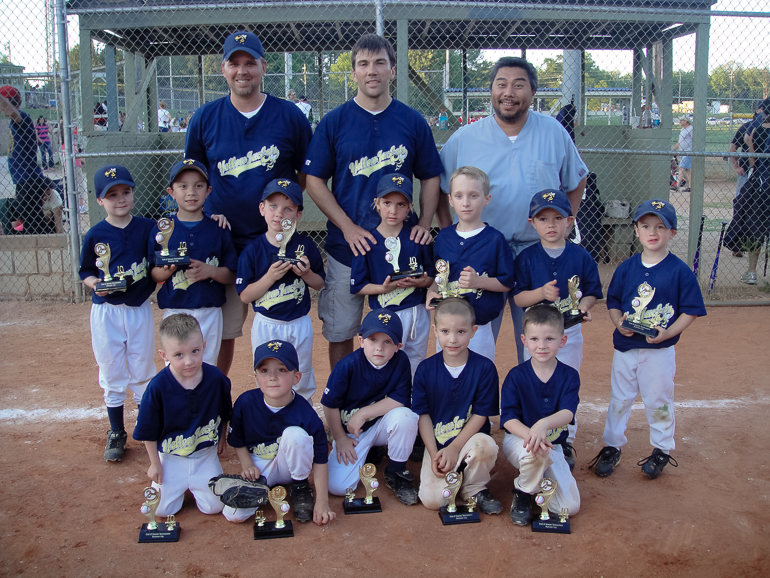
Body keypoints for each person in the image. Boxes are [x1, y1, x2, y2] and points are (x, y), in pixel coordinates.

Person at [304, 33, 444, 372]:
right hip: (346, 247)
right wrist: (348, 227)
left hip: (401, 250)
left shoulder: (411, 121)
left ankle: (401, 402)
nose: (372, 71)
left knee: (404, 332)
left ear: (392, 70)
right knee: (341, 331)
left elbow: (430, 176)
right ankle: (344, 399)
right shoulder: (335, 121)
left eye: (380, 63)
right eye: (363, 64)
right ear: (353, 72)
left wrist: (425, 224)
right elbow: (313, 181)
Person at [438, 57, 588, 364]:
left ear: (532, 93)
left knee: (540, 342)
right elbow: (439, 187)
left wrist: (566, 223)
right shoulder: (465, 137)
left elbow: (577, 178)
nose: (509, 92)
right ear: (491, 91)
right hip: (479, 251)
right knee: (469, 336)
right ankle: (470, 407)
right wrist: (447, 231)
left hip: (535, 251)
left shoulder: (553, 132)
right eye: (501, 84)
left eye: (519, 85)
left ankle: (536, 407)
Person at [185, 30, 312, 377]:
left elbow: (306, 174)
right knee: (221, 332)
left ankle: (283, 400)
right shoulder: (205, 118)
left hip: (274, 243)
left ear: (263, 67)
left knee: (282, 323)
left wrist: (283, 212)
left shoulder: (289, 116)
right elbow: (194, 177)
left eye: (249, 63)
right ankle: (213, 397)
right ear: (223, 69)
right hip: (224, 241)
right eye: (234, 63)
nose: (242, 71)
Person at [589, 199, 706, 480]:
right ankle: (612, 446)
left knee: (659, 399)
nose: (652, 232)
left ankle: (662, 450)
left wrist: (671, 332)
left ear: (672, 232)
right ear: (636, 230)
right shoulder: (627, 268)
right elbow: (614, 301)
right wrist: (618, 322)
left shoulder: (679, 271)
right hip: (626, 348)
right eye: (645, 226)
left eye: (660, 226)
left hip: (659, 350)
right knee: (620, 398)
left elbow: (691, 310)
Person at [512, 189, 602, 469]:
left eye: (557, 218)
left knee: (567, 381)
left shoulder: (581, 256)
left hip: (569, 332)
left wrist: (584, 307)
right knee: (537, 381)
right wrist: (540, 292)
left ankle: (566, 439)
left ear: (570, 221)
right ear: (532, 223)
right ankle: (534, 431)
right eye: (543, 219)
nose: (550, 225)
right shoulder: (526, 258)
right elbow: (518, 298)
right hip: (538, 337)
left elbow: (591, 292)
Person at [78, 165, 157, 462]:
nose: (121, 199)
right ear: (100, 201)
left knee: (142, 368)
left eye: (126, 192)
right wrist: (95, 283)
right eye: (112, 195)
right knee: (111, 369)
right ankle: (116, 431)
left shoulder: (148, 228)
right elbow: (85, 269)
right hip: (106, 313)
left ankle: (146, 426)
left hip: (138, 309)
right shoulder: (96, 233)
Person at [219, 340, 335, 525]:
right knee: (233, 515)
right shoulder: (245, 403)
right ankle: (263, 489)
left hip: (290, 468)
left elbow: (321, 460)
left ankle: (300, 487)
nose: (272, 377)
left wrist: (323, 503)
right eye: (264, 371)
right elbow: (238, 440)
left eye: (281, 370)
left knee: (295, 435)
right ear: (256, 376)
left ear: (296, 377)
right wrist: (247, 464)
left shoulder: (305, 413)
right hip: (259, 467)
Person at [133, 314, 232, 517]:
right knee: (161, 510)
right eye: (178, 354)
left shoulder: (216, 379)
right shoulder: (157, 387)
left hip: (204, 454)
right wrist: (155, 463)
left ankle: (198, 483)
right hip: (172, 457)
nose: (189, 361)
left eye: (195, 351)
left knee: (214, 507)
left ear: (204, 346)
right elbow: (148, 430)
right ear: (164, 355)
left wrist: (222, 437)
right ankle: (179, 486)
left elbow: (225, 411)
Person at [235, 179, 325, 401]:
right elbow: (245, 295)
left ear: (298, 215)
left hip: (298, 322)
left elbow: (320, 283)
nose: (279, 214)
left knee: (300, 373)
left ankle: (302, 412)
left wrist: (306, 274)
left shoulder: (305, 245)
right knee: (268, 373)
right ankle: (270, 415)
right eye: (273, 206)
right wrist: (270, 277)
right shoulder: (253, 250)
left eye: (288, 209)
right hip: (267, 323)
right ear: (262, 208)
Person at [412, 298, 502, 515]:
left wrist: (455, 448)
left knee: (485, 446)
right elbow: (422, 415)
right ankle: (456, 477)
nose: (452, 339)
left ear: (473, 331)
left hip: (469, 440)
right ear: (435, 331)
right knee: (433, 501)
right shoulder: (425, 369)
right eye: (445, 331)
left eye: (461, 331)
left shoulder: (484, 368)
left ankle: (473, 487)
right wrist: (434, 453)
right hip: (438, 443)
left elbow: (481, 414)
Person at [321, 309, 420, 505]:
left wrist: (364, 413)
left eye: (387, 342)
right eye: (373, 339)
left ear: (398, 346)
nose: (379, 348)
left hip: (381, 424)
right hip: (353, 434)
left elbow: (400, 399)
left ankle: (396, 470)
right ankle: (372, 451)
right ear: (361, 341)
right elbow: (329, 405)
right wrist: (339, 438)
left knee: (406, 417)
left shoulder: (400, 362)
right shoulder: (347, 365)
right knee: (337, 487)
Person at [149, 160, 238, 366]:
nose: (191, 192)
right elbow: (152, 273)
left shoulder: (218, 227)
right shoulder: (162, 229)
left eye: (198, 186)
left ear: (208, 191)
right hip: (175, 309)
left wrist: (210, 271)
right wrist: (165, 271)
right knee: (176, 367)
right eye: (183, 186)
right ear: (171, 192)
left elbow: (232, 274)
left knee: (207, 365)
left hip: (209, 310)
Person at [501, 304, 581, 526]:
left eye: (549, 339)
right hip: (520, 440)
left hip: (552, 444)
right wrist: (532, 434)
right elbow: (508, 419)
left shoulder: (569, 375)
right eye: (534, 339)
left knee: (568, 508)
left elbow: (567, 412)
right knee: (536, 454)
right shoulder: (516, 376)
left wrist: (542, 425)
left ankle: (536, 482)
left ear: (562, 341)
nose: (542, 346)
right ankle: (523, 492)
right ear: (524, 341)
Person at [426, 166, 515, 362]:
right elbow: (437, 277)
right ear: (450, 200)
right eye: (458, 196)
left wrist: (479, 282)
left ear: (486, 199)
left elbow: (506, 282)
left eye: (473, 195)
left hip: (478, 326)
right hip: (447, 326)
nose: (465, 203)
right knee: (445, 377)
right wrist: (431, 292)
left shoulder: (495, 239)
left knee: (480, 377)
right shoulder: (443, 237)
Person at [350, 173, 434, 377]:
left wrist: (423, 282)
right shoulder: (368, 241)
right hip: (384, 312)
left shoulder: (417, 237)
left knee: (415, 361)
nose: (393, 210)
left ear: (410, 207)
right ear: (376, 203)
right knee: (384, 366)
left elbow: (431, 277)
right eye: (387, 203)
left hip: (415, 312)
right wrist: (383, 288)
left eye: (401, 204)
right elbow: (358, 286)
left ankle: (410, 406)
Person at [0, 86, 49, 234]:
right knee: (31, 222)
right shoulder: (15, 121)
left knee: (32, 225)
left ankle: (49, 235)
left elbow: (11, 111)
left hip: (29, 180)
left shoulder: (22, 117)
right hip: (23, 181)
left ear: (8, 100)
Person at [735, 110, 770, 285]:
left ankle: (752, 272)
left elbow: (752, 161)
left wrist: (751, 146)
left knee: (756, 227)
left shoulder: (757, 130)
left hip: (761, 185)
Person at [673, 117, 693, 192]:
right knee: (687, 170)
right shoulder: (683, 129)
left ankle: (677, 186)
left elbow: (694, 139)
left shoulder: (691, 129)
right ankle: (691, 186)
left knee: (681, 167)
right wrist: (674, 148)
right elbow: (680, 141)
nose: (680, 122)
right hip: (682, 151)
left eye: (682, 120)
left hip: (688, 151)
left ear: (686, 121)